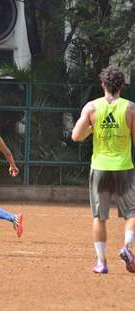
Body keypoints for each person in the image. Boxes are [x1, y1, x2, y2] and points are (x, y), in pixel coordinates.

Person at [72, 65, 135, 274]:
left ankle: (101, 262)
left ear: (103, 85)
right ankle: (126, 247)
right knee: (132, 213)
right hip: (124, 167)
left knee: (99, 217)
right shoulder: (130, 108)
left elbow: (76, 136)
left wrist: (91, 129)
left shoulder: (91, 107)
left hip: (99, 168)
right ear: (122, 86)